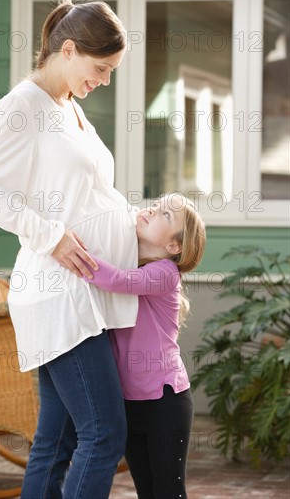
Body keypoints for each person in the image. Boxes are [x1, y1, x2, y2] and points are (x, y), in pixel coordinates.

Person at [0, 0, 139, 498]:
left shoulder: (70, 109)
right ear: (68, 49)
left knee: (57, 442)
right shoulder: (22, 105)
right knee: (105, 434)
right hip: (58, 295)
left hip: (85, 295)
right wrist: (51, 236)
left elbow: (90, 196)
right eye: (101, 68)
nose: (104, 80)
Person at [83, 193, 206, 499]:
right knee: (146, 492)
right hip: (129, 402)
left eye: (166, 215)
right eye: (157, 205)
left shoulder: (165, 273)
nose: (154, 209)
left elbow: (117, 280)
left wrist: (74, 251)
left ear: (174, 246)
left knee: (167, 490)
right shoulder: (133, 263)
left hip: (165, 403)